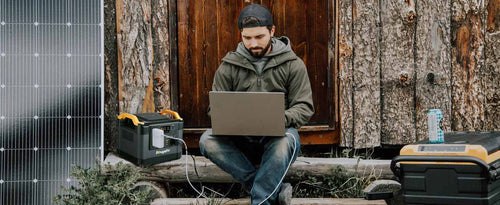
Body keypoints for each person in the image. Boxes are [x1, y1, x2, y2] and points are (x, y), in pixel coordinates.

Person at [199, 4, 314, 205]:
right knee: (207, 139)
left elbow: (304, 107)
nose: (253, 44)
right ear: (241, 35)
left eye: (259, 37)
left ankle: (260, 201)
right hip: (240, 141)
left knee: (287, 140)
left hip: (277, 138)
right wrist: (229, 119)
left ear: (272, 31)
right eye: (247, 38)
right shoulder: (229, 66)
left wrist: (276, 119)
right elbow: (214, 110)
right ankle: (266, 189)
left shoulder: (292, 64)